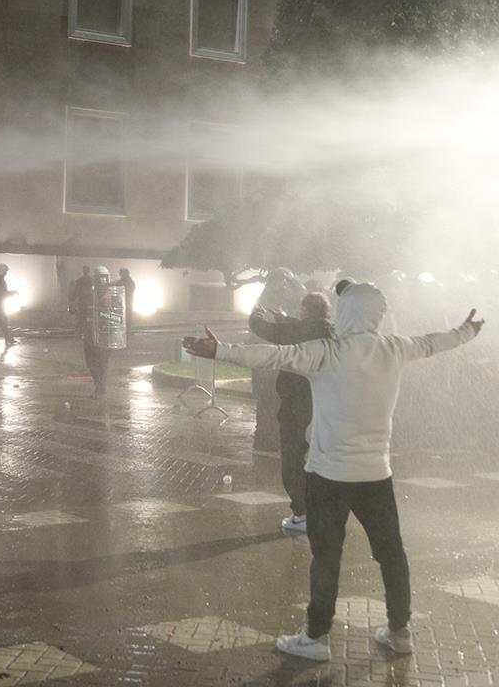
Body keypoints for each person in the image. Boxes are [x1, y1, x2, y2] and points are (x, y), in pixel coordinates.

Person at [184, 281, 483, 662]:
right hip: (376, 474)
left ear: (347, 312)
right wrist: (466, 331)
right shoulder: (394, 348)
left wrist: (220, 350)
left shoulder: (327, 353)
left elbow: (273, 355)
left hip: (328, 476)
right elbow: (433, 342)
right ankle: (399, 630)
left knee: (326, 558)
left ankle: (316, 637)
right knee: (391, 554)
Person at [248, 292, 334, 533]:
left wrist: (255, 315)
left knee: (293, 460)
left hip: (296, 406)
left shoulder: (295, 332)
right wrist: (286, 319)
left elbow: (263, 329)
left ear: (304, 310)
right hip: (326, 406)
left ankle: (303, 513)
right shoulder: (332, 333)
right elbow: (311, 328)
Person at [251, 268, 308, 453]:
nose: (285, 285)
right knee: (272, 401)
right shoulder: (277, 301)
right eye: (284, 281)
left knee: (270, 402)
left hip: (269, 359)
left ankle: (267, 440)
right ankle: (269, 440)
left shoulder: (266, 300)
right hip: (273, 360)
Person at [76, 266, 125, 398]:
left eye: (104, 277)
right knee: (90, 362)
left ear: (108, 278)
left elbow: (119, 315)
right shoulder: (89, 295)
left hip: (105, 335)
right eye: (99, 277)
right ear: (95, 279)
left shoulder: (113, 295)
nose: (102, 280)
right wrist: (80, 328)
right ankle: (98, 384)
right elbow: (82, 313)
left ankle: (100, 388)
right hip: (90, 334)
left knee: (102, 362)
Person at [115, 268, 136, 336]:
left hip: (124, 302)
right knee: (127, 317)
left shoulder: (123, 282)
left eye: (121, 274)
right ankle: (127, 330)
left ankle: (126, 330)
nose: (120, 275)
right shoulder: (131, 282)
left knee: (125, 317)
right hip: (127, 302)